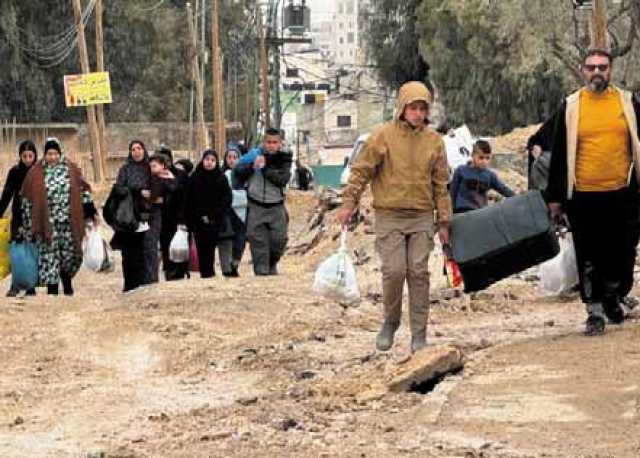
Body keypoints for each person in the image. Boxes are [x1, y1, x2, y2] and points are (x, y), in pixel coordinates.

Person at [337, 81, 452, 354]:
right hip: (389, 214)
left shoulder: (434, 142)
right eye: (413, 107)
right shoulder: (382, 136)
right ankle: (390, 321)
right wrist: (348, 202)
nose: (418, 113)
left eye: (423, 108)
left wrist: (444, 221)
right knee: (394, 271)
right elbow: (361, 171)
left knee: (419, 272)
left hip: (422, 215)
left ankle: (419, 334)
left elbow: (441, 184)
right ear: (402, 108)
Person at [547, 48, 640, 336]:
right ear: (583, 70)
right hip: (583, 195)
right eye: (591, 67)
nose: (597, 72)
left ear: (611, 70)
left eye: (602, 67)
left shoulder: (627, 102)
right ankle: (595, 310)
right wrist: (555, 198)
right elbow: (559, 152)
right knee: (589, 255)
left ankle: (614, 294)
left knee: (622, 252)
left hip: (622, 193)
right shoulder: (571, 105)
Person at [20, 138, 98, 296]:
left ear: (60, 153)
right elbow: (27, 199)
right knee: (50, 256)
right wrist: (28, 224)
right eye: (49, 154)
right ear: (45, 154)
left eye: (55, 153)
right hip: (47, 224)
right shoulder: (36, 172)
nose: (52, 157)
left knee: (70, 255)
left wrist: (90, 211)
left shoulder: (71, 169)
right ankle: (52, 289)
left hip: (68, 223)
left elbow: (83, 191)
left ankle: (67, 282)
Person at [235, 128, 293, 276]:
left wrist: (265, 168)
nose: (271, 145)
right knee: (258, 242)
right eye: (268, 142)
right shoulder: (254, 155)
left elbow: (282, 180)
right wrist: (251, 167)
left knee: (279, 241)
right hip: (256, 205)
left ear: (280, 143)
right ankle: (261, 273)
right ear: (263, 142)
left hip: (277, 206)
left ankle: (272, 264)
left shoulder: (284, 159)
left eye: (275, 142)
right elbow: (238, 171)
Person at [111, 140, 152, 292]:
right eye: (133, 149)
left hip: (145, 216)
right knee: (128, 254)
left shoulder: (149, 168)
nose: (136, 152)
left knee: (143, 252)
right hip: (127, 217)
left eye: (139, 148)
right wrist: (137, 191)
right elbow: (119, 189)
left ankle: (143, 283)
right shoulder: (125, 169)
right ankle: (129, 285)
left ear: (144, 150)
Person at [184, 150, 233, 278]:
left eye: (212, 160)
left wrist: (216, 215)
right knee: (201, 248)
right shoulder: (195, 177)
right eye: (207, 159)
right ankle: (205, 273)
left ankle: (210, 272)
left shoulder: (221, 178)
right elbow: (188, 199)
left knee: (211, 248)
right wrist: (191, 218)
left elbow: (226, 199)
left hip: (215, 220)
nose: (209, 163)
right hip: (198, 221)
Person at [0, 140, 38, 297]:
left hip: (35, 216)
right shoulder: (14, 172)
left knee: (32, 251)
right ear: (20, 156)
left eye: (30, 156)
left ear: (35, 156)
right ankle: (15, 285)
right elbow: (7, 193)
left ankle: (31, 286)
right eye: (25, 156)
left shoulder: (40, 172)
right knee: (16, 250)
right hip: (18, 215)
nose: (28, 159)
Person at [449, 140, 515, 213]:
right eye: (481, 158)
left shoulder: (490, 176)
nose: (484, 161)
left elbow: (504, 190)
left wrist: (519, 198)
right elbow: (452, 193)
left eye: (487, 158)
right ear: (473, 155)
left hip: (480, 213)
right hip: (462, 212)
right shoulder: (461, 171)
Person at [156, 146, 189, 281]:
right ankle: (169, 273)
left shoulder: (180, 175)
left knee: (179, 248)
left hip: (179, 219)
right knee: (166, 249)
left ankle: (180, 273)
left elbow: (186, 196)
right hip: (162, 219)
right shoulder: (154, 175)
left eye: (166, 160)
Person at [146, 154, 177, 283]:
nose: (152, 168)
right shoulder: (150, 178)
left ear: (162, 166)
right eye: (151, 166)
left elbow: (174, 190)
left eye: (155, 165)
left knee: (166, 247)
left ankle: (170, 275)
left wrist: (171, 179)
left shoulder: (167, 178)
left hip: (168, 218)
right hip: (154, 216)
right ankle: (153, 277)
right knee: (152, 247)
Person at [224, 146, 248, 277]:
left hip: (242, 213)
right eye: (229, 157)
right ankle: (227, 265)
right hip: (227, 212)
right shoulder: (222, 175)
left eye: (235, 157)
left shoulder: (244, 174)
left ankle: (235, 264)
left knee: (240, 240)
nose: (232, 160)